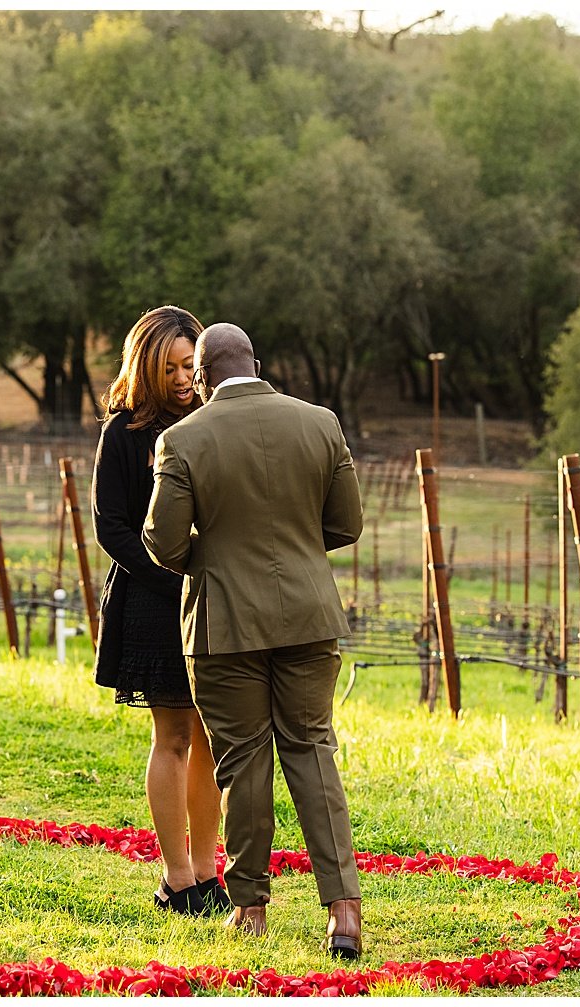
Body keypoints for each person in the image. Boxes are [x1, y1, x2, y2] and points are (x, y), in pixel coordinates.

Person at [142, 322, 365, 959]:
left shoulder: (180, 441)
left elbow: (161, 542)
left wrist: (215, 564)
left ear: (205, 378)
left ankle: (250, 909)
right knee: (312, 748)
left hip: (223, 625)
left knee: (241, 758)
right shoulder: (321, 424)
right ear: (257, 364)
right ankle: (343, 910)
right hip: (311, 616)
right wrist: (292, 553)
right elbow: (345, 523)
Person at [90, 305, 228, 917]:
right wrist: (169, 571)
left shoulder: (213, 424)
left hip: (209, 600)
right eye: (168, 366)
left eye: (188, 365)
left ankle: (206, 871)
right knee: (171, 734)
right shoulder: (122, 434)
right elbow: (110, 526)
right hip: (151, 603)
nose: (180, 377)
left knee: (208, 738)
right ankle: (176, 879)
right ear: (146, 366)